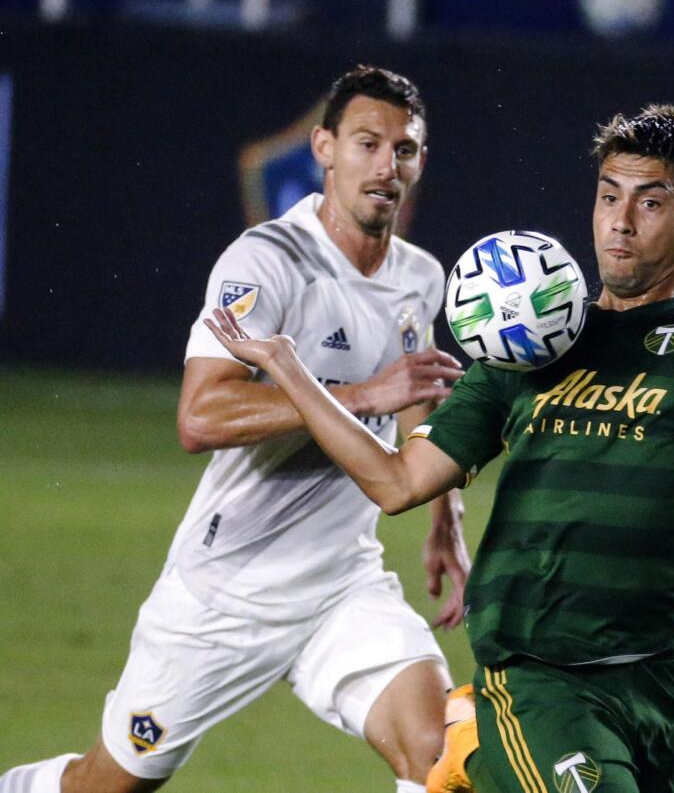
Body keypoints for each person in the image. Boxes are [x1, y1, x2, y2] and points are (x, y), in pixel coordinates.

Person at [200, 104, 674, 793]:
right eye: (609, 197)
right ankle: (477, 746)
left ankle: (473, 765)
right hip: (538, 671)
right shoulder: (528, 343)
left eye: (651, 201)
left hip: (658, 675)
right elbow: (398, 483)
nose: (621, 222)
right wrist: (291, 370)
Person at [0, 65, 469, 793]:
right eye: (368, 144)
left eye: (403, 150)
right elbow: (200, 415)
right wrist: (358, 393)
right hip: (225, 594)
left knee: (441, 756)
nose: (386, 166)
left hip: (342, 585)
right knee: (105, 786)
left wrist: (444, 511)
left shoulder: (420, 276)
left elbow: (416, 393)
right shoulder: (267, 261)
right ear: (324, 147)